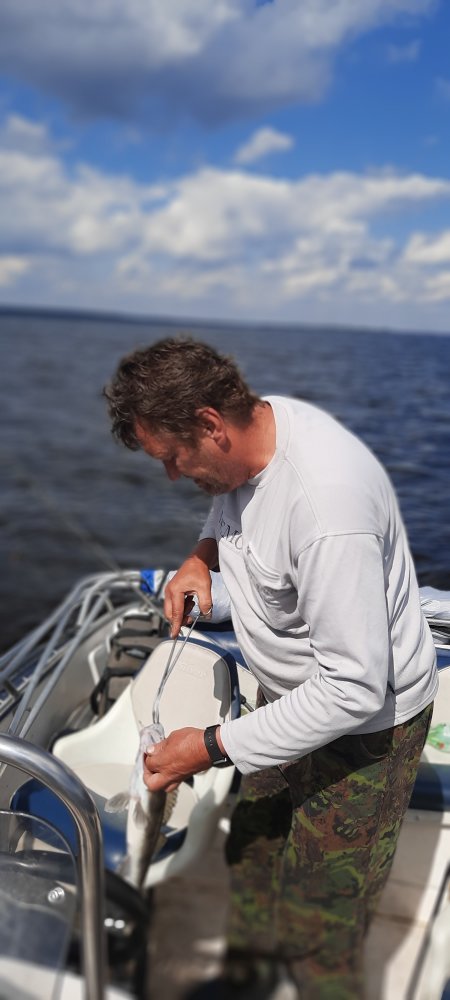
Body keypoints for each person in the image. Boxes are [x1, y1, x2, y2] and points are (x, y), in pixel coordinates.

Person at [104, 336, 437, 1000]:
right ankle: (248, 980)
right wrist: (201, 557)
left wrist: (206, 747)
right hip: (284, 698)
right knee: (252, 851)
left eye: (172, 458)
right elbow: (230, 501)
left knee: (319, 923)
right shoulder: (257, 428)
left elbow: (353, 688)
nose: (170, 475)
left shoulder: (327, 508)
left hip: (362, 731)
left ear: (209, 423)